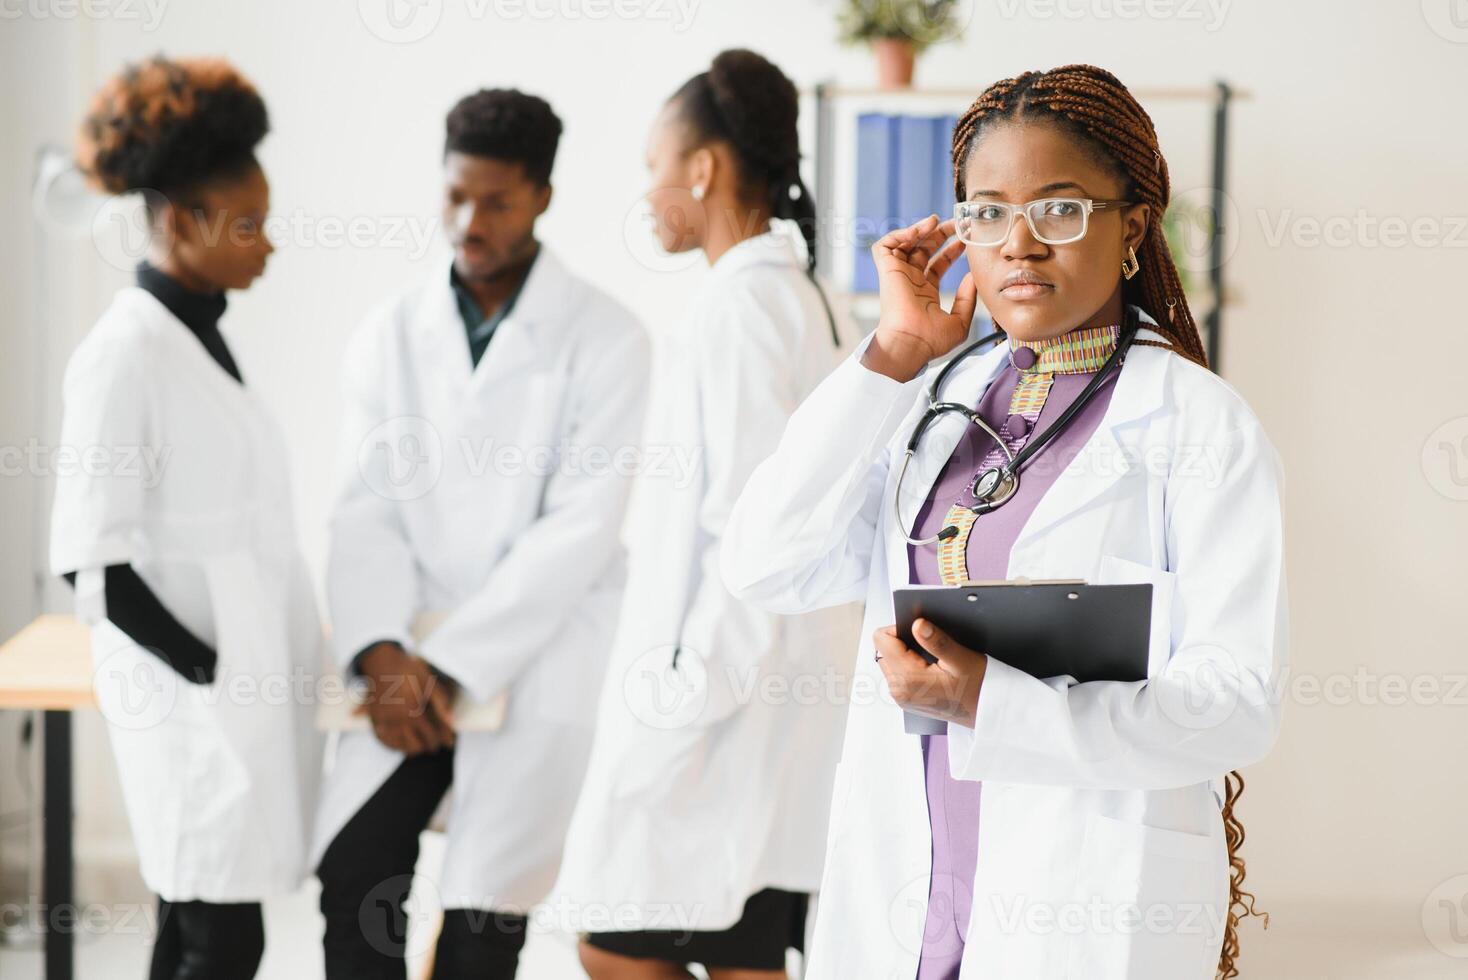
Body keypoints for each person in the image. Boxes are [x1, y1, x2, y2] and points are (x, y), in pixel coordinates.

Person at [721, 64, 1286, 979]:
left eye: (1060, 210)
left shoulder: (1201, 423)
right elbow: (764, 565)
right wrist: (891, 355)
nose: (1018, 243)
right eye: (986, 212)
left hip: (1083, 892)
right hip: (909, 885)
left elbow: (1238, 705)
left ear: (1133, 225)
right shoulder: (932, 398)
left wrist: (992, 701)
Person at [311, 87, 650, 980]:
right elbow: (364, 507)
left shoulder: (608, 337)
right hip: (404, 648)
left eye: (496, 202)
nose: (468, 221)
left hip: (531, 651)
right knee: (356, 872)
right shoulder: (390, 332)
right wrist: (382, 653)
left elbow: (581, 529)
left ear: (541, 197)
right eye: (455, 195)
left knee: (481, 923)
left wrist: (453, 664)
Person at [555, 49, 861, 980]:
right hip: (764, 691)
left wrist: (692, 686)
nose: (649, 193)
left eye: (656, 167)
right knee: (745, 942)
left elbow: (748, 522)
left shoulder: (744, 307)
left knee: (615, 942)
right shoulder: (796, 294)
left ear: (702, 168)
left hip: (721, 692)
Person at [51, 55, 323, 980]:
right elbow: (95, 564)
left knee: (198, 929)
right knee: (219, 937)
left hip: (231, 692)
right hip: (185, 706)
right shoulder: (123, 354)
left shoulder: (199, 337)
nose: (268, 246)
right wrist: (209, 674)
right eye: (249, 226)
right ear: (178, 221)